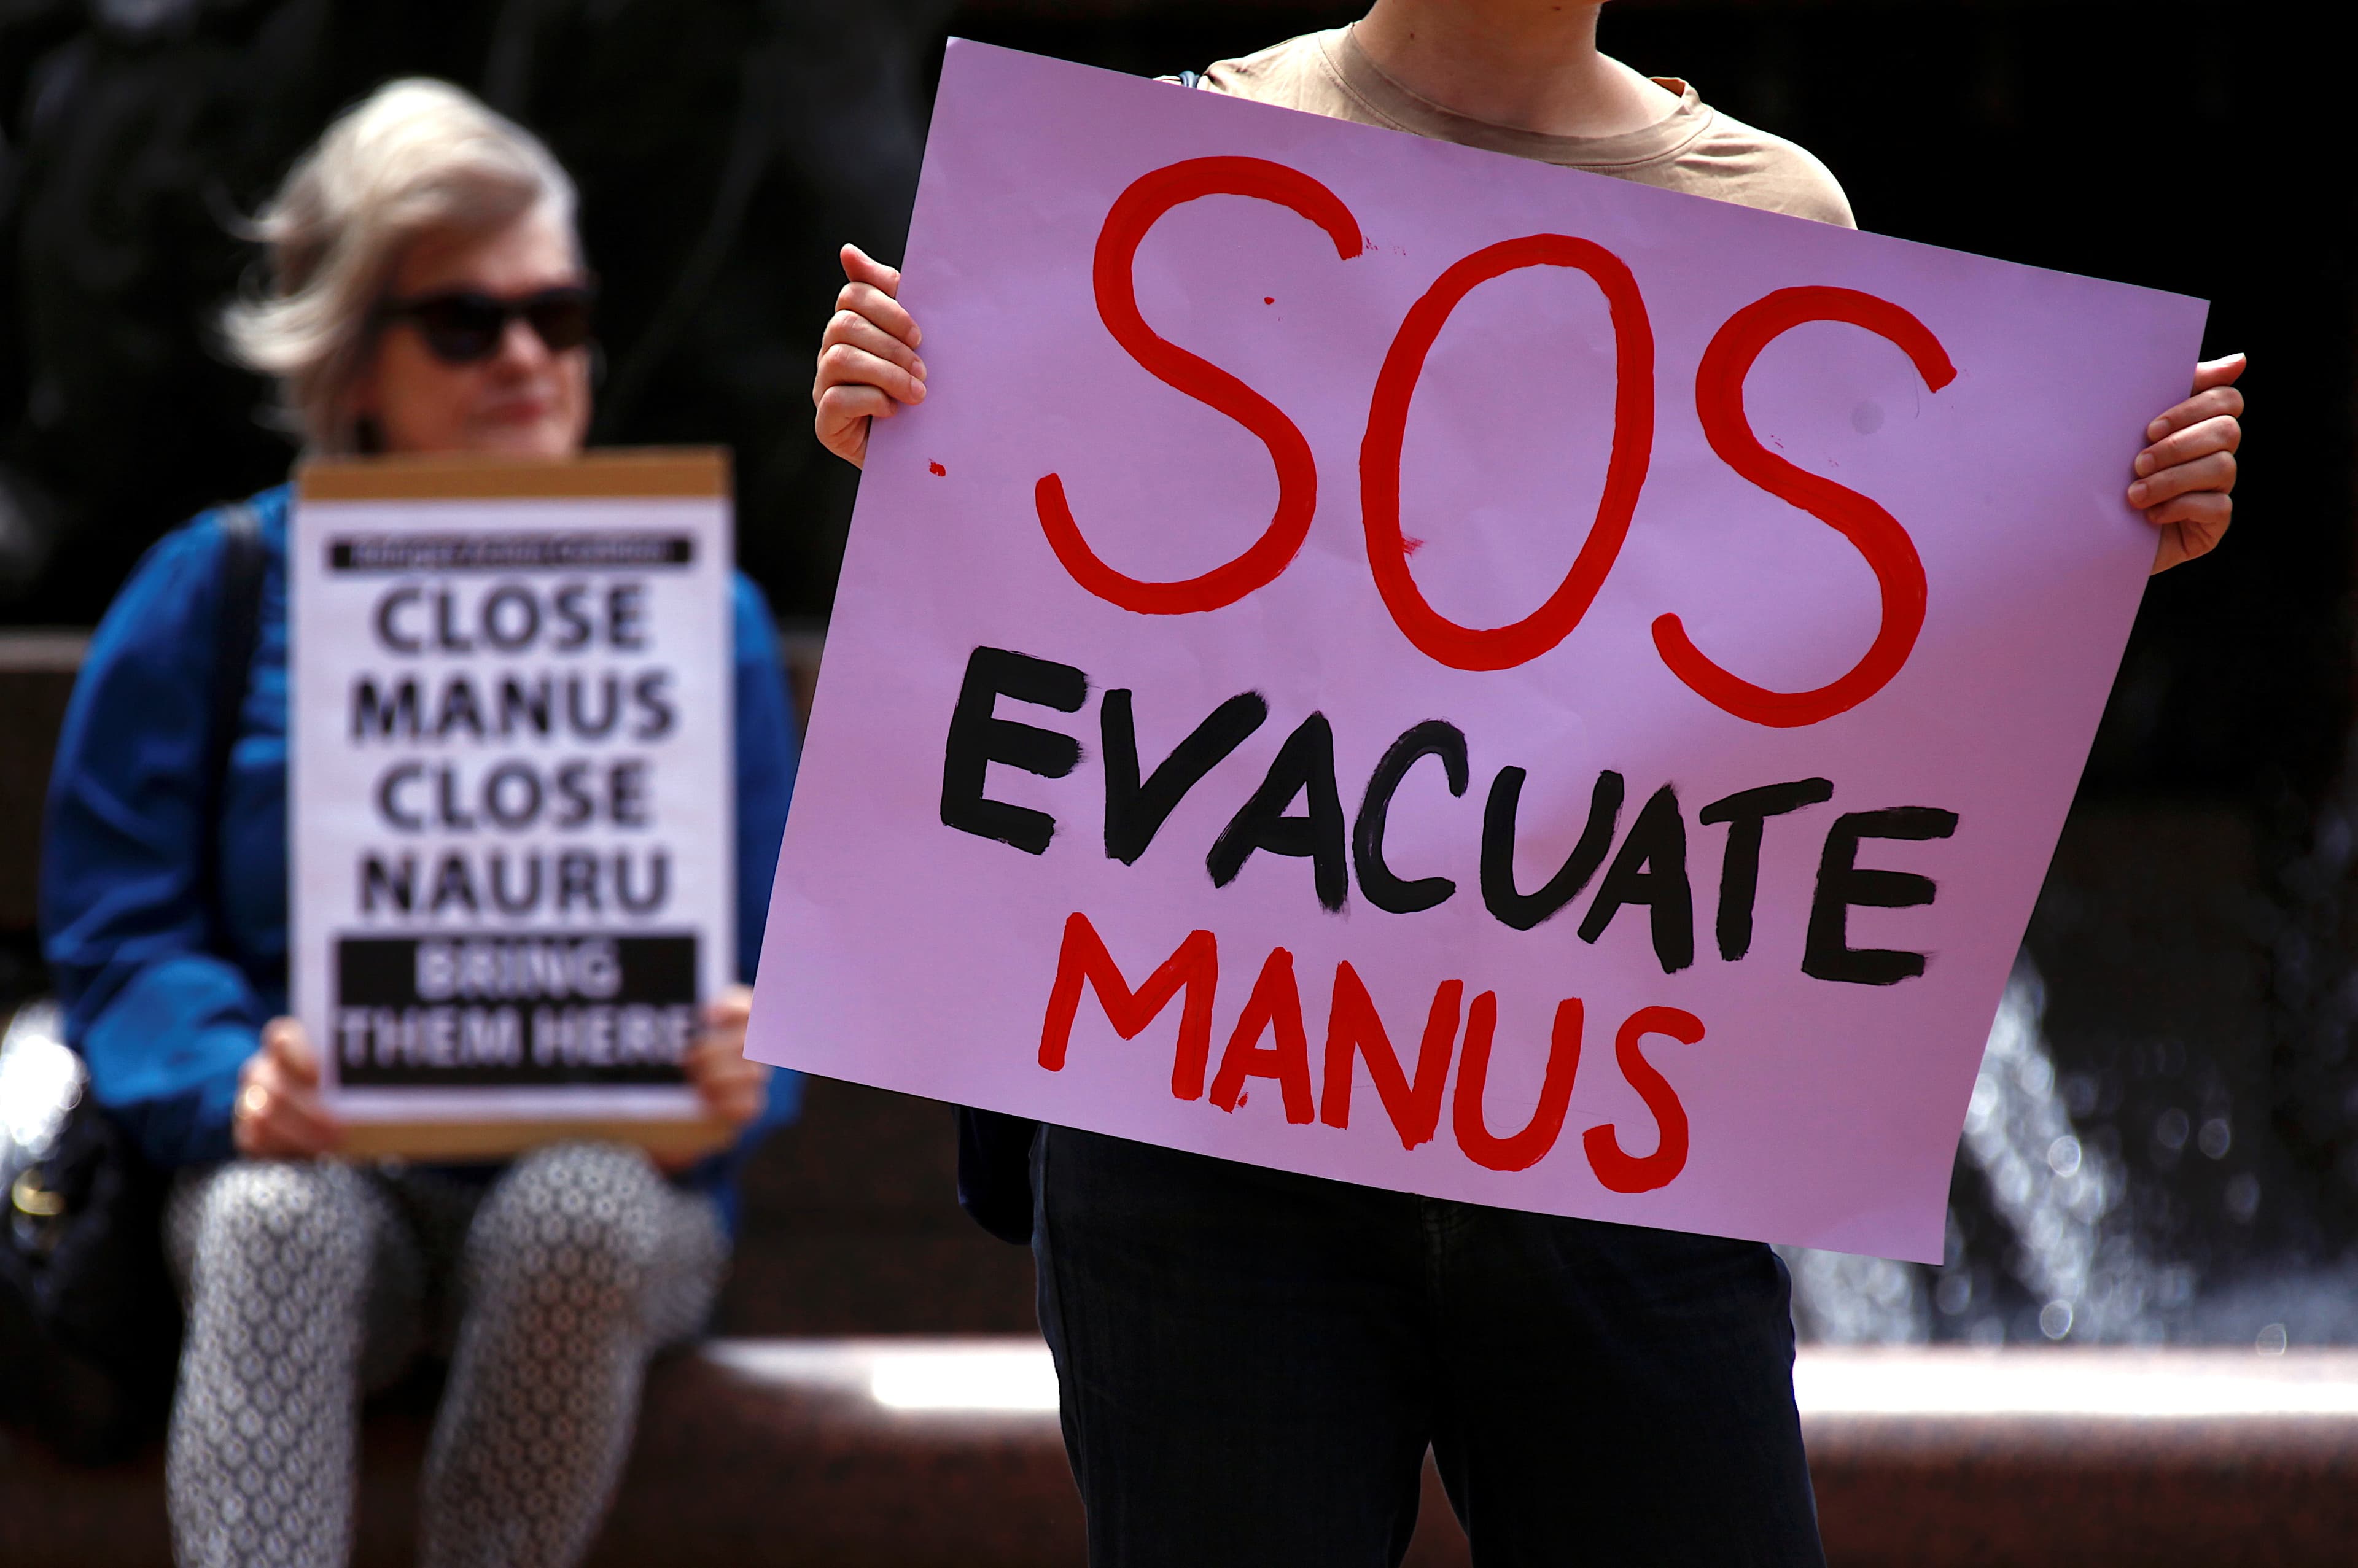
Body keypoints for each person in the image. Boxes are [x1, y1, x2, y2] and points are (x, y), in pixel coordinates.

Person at [811, 2, 2246, 1564]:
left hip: (1614, 1146)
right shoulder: (1164, 154)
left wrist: (2097, 527)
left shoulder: (1780, 216)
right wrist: (899, 411)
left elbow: (1847, 660)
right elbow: (1046, 590)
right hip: (1209, 1137)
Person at [40, 80, 802, 1568]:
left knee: (580, 1207)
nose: (524, 355)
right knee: (277, 1219)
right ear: (352, 359)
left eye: (559, 317)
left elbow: (782, 967)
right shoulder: (219, 587)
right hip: (323, 1183)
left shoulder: (700, 620)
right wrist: (231, 1078)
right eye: (466, 321)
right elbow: (119, 931)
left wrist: (741, 1062)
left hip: (612, 1193)